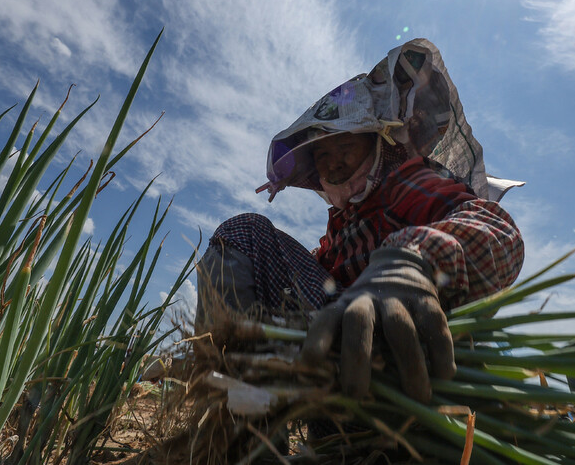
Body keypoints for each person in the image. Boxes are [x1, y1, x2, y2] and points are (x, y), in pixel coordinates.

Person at [195, 38, 524, 403]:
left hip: (419, 375)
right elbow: (307, 279)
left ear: (376, 144)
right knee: (245, 234)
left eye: (345, 147)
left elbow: (494, 229)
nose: (332, 163)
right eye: (322, 155)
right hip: (340, 374)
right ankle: (230, 409)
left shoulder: (406, 182)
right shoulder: (339, 228)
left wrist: (407, 266)